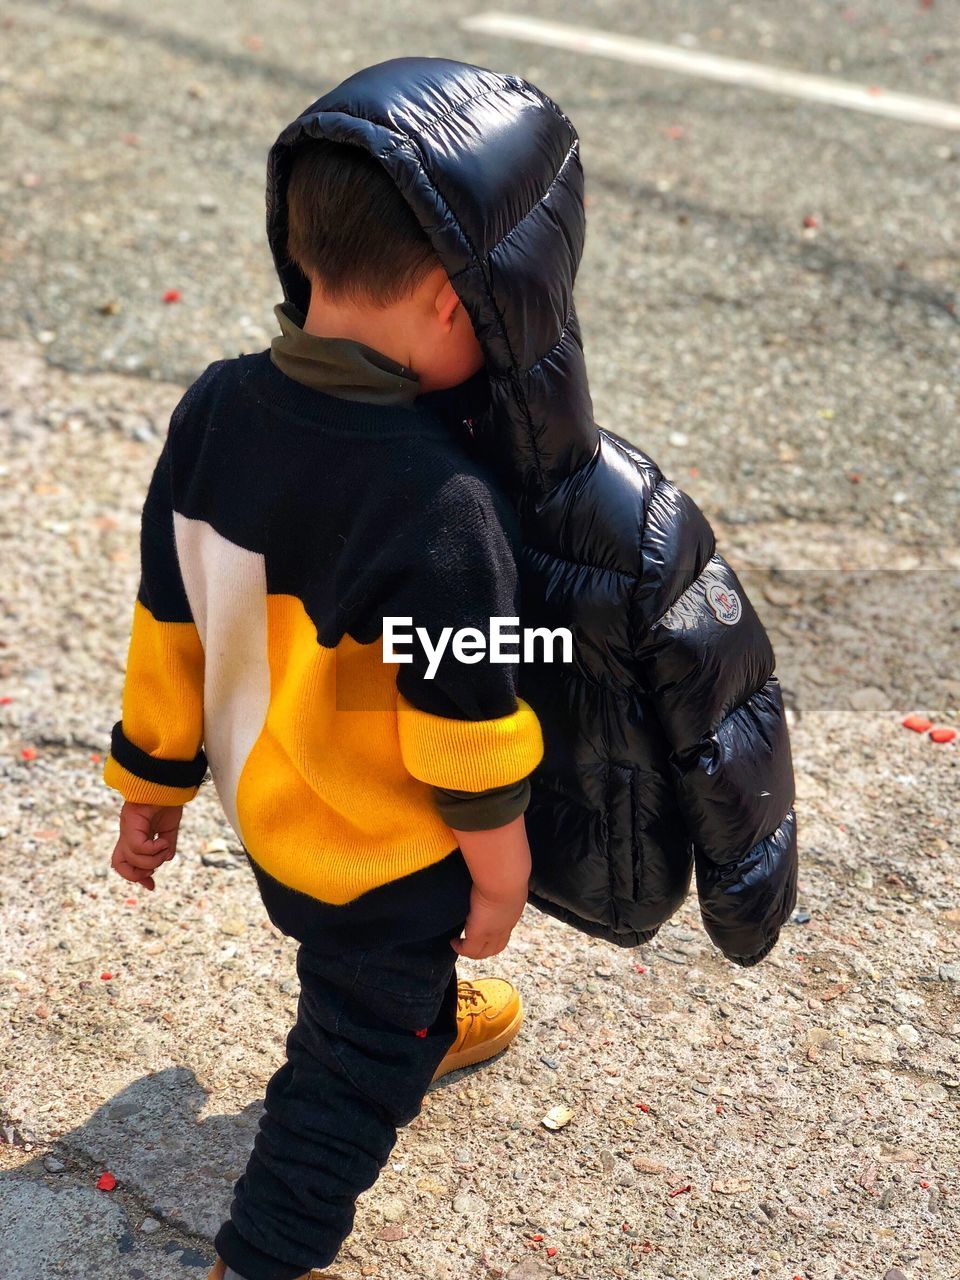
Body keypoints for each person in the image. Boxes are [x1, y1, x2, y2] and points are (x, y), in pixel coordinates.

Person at [103, 118, 546, 1280]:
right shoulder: (443, 499)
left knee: (365, 984)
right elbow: (461, 729)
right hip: (386, 863)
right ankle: (266, 1252)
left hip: (273, 812)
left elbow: (169, 612)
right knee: (353, 1061)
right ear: (461, 301)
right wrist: (500, 870)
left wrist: (151, 782)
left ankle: (424, 1015)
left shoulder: (214, 408)